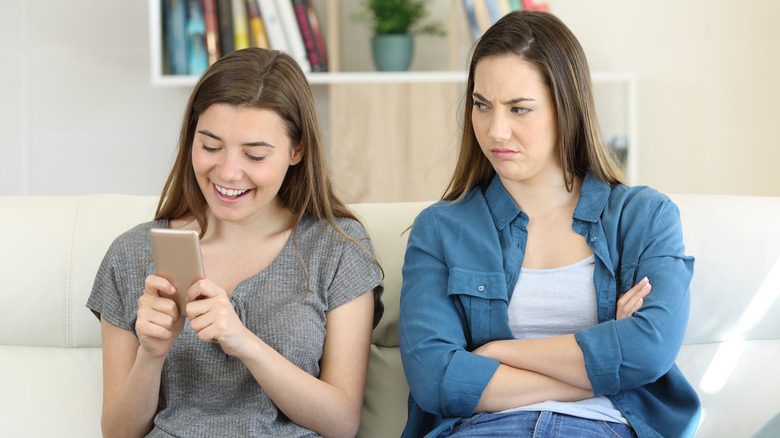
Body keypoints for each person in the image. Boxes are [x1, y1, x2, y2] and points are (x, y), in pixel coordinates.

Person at [399, 10, 700, 438]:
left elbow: (648, 351)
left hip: (605, 428)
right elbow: (436, 379)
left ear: (567, 108)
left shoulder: (645, 217)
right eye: (482, 105)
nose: (495, 131)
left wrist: (500, 352)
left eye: (519, 109)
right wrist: (605, 357)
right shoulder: (440, 230)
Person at [87, 47, 383, 438]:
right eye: (210, 147)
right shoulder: (131, 255)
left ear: (297, 151)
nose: (227, 172)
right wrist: (151, 354)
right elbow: (118, 433)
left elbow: (341, 423)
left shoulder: (338, 249)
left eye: (255, 155)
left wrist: (245, 344)